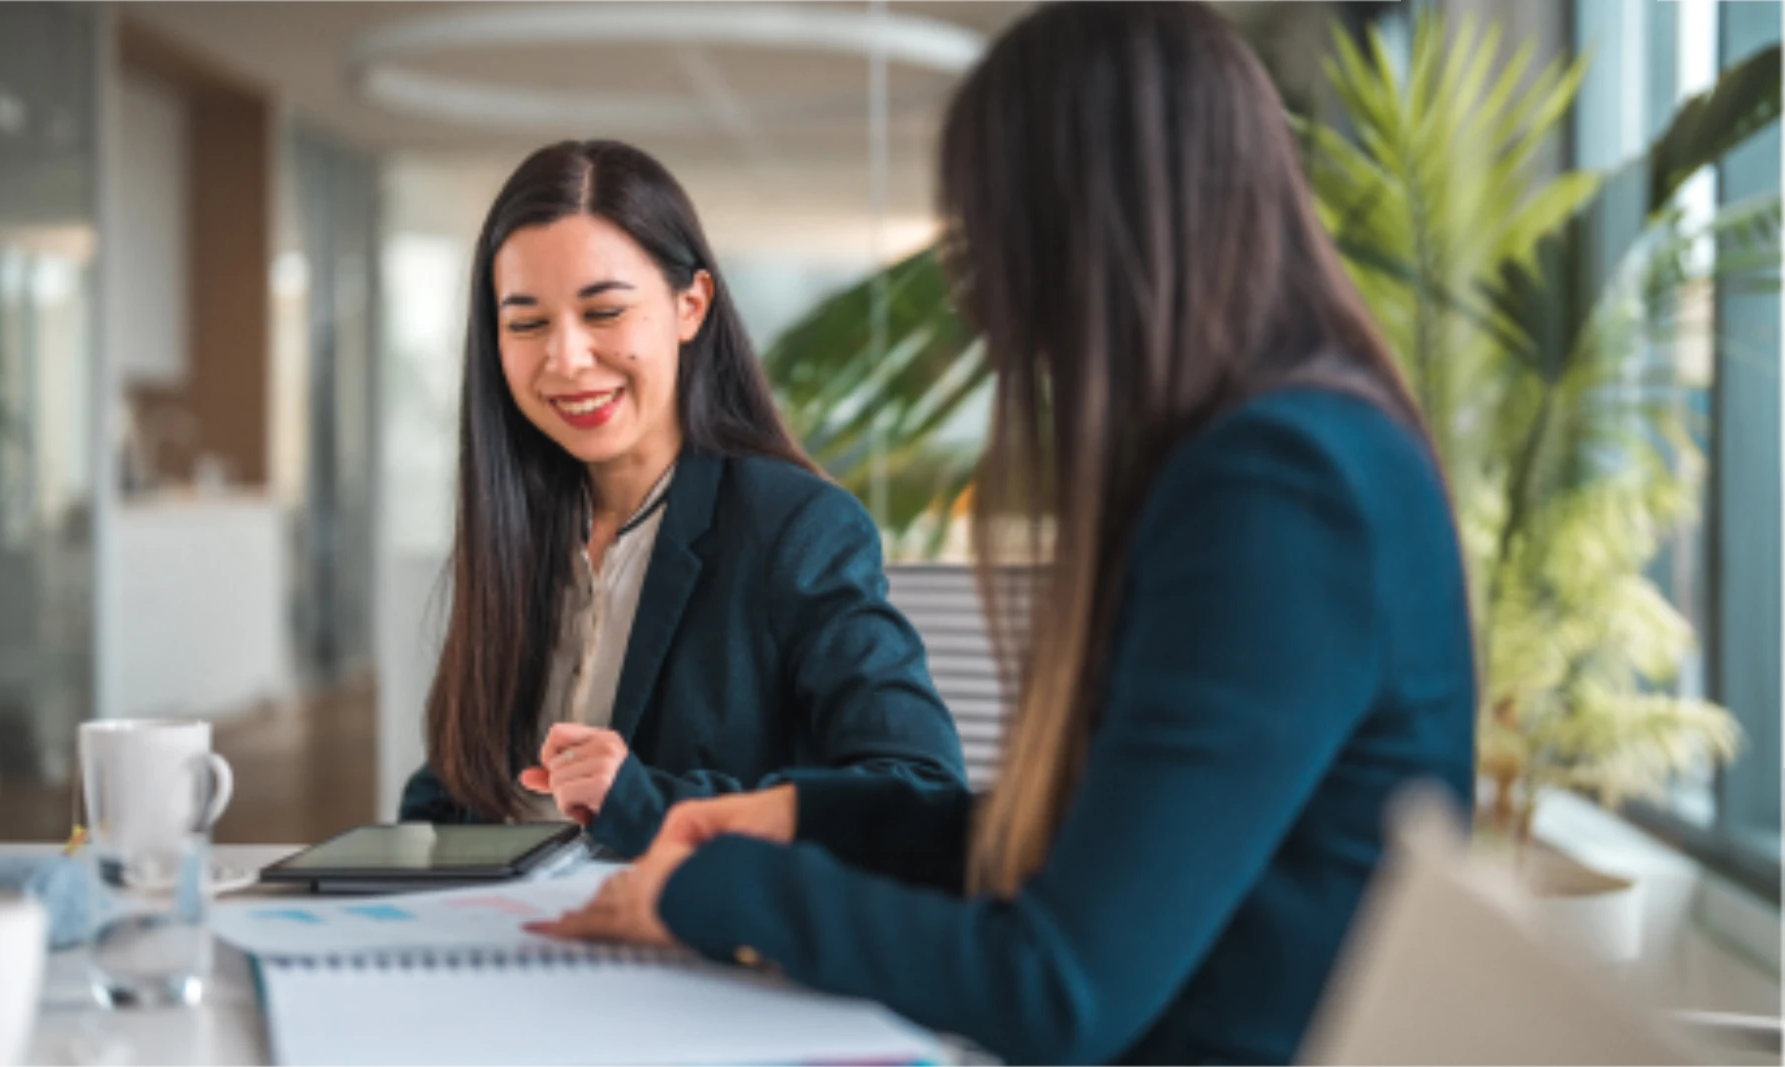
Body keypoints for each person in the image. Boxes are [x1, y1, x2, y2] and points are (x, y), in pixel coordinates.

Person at [532, 2, 1478, 1064]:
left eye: (989, 234)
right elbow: (1105, 847)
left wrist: (724, 891)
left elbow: (1056, 983)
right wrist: (807, 820)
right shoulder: (1309, 442)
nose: (985, 305)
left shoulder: (1279, 487)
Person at [400, 140, 966, 859]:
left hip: (682, 946)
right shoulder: (521, 525)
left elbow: (922, 793)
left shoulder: (795, 528)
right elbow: (454, 783)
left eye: (603, 311)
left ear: (690, 305)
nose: (566, 359)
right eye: (527, 323)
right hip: (499, 944)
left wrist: (648, 802)